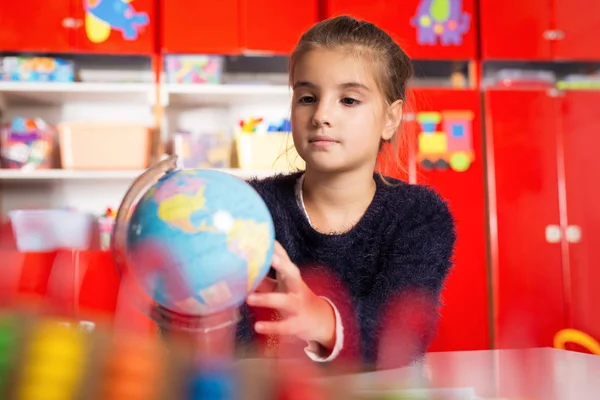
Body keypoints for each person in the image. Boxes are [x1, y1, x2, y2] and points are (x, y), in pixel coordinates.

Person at [236, 15, 456, 370]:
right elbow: (230, 345)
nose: (321, 115)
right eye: (307, 97)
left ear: (390, 118)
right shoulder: (250, 207)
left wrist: (321, 319)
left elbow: (403, 336)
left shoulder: (419, 215)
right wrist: (190, 313)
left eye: (349, 100)